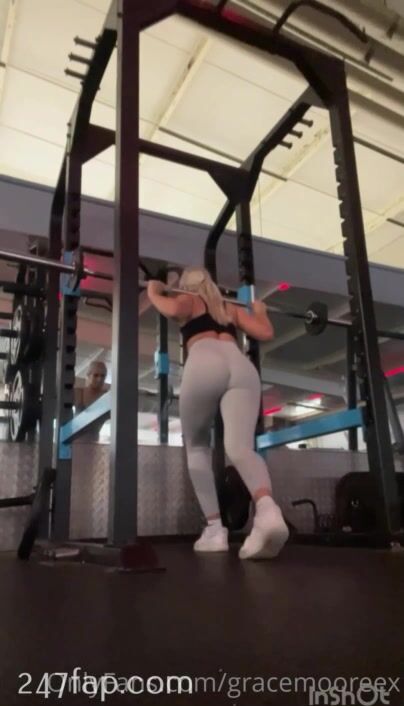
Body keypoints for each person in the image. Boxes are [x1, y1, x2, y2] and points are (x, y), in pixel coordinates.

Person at [147, 267, 289, 560]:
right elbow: (265, 331)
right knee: (240, 448)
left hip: (205, 362)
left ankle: (214, 530)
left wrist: (153, 290)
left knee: (197, 446)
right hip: (241, 367)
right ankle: (268, 512)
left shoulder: (189, 299)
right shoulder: (228, 308)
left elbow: (170, 309)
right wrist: (260, 311)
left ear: (188, 286)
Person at [74, 361, 110, 440]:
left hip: (94, 442)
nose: (99, 379)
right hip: (75, 441)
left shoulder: (108, 398)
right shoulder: (78, 393)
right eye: (96, 375)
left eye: (103, 376)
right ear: (88, 375)